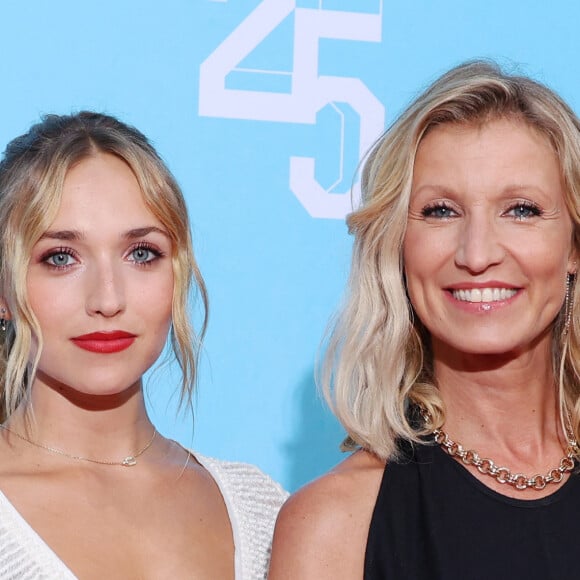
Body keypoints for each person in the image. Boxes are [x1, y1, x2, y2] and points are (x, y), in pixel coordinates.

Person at [268, 59, 580, 579]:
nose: (477, 253)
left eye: (521, 209)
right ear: (398, 246)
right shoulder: (337, 525)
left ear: (574, 245)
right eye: (441, 211)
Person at [0, 111, 287, 579]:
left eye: (141, 253)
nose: (108, 299)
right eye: (60, 257)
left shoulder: (261, 511)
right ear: (3, 293)